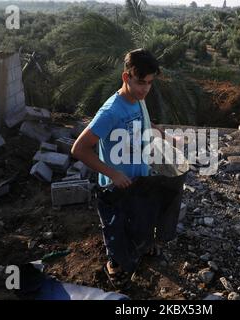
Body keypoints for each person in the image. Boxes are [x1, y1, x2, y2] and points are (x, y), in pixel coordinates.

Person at [71, 48, 164, 289]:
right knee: (116, 227)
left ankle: (143, 244)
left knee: (141, 216)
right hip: (116, 185)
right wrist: (112, 173)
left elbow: (143, 121)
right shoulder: (111, 111)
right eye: (140, 82)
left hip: (138, 178)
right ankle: (115, 264)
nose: (145, 88)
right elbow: (79, 149)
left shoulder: (138, 100)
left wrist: (160, 133)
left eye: (150, 83)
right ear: (126, 77)